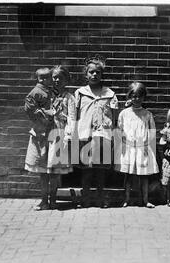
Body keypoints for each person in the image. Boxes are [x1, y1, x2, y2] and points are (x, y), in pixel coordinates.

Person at [24, 66, 73, 210]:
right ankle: (44, 200)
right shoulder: (45, 93)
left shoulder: (69, 97)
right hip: (41, 135)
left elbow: (72, 118)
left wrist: (68, 135)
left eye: (60, 78)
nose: (56, 80)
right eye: (54, 77)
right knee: (42, 170)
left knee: (54, 172)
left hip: (58, 135)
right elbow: (31, 108)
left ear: (66, 80)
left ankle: (53, 200)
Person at [74, 55, 119, 208]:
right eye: (91, 72)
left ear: (102, 75)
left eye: (97, 72)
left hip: (102, 135)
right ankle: (85, 197)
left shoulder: (109, 94)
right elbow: (75, 115)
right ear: (86, 74)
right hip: (85, 135)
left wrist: (113, 135)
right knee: (86, 170)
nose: (94, 75)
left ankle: (101, 197)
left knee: (100, 170)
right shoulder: (80, 93)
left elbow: (114, 118)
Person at [115, 82, 159, 208]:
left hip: (142, 148)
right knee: (128, 175)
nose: (137, 99)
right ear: (130, 97)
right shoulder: (124, 113)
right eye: (134, 96)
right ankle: (126, 199)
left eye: (139, 96)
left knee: (144, 176)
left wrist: (146, 143)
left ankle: (145, 200)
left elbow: (152, 131)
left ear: (144, 97)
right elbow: (120, 129)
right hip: (128, 148)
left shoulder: (147, 114)